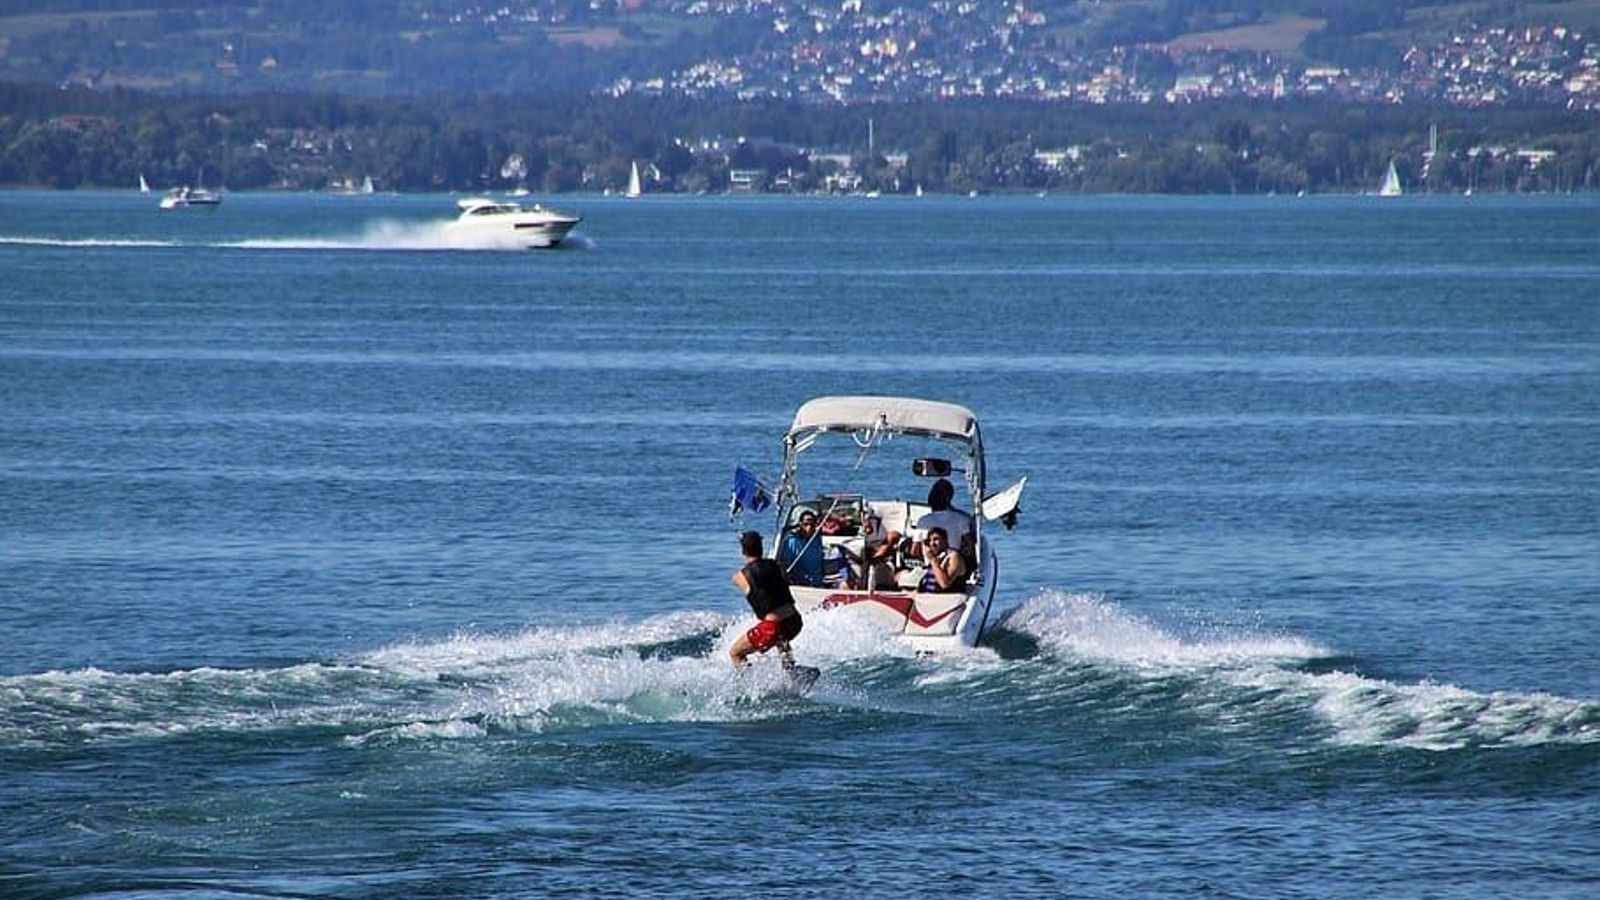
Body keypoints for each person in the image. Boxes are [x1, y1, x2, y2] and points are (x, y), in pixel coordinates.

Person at [729, 530, 804, 669]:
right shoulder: (776, 565)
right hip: (794, 621)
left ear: (743, 551)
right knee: (782, 640)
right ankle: (792, 671)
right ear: (761, 548)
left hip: (773, 627)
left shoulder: (739, 576)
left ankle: (748, 684)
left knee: (735, 653)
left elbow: (744, 584)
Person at [914, 477, 974, 564]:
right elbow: (970, 547)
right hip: (953, 565)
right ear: (950, 498)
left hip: (930, 565)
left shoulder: (923, 521)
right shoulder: (963, 519)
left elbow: (915, 551)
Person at [777, 507, 825, 587]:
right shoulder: (792, 542)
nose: (809, 528)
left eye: (812, 525)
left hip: (818, 582)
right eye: (805, 524)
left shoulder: (818, 539)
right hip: (800, 583)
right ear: (800, 524)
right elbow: (784, 565)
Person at [918, 526, 968, 593]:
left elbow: (944, 584)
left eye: (936, 539)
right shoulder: (936, 557)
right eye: (930, 540)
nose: (932, 543)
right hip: (929, 598)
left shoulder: (953, 556)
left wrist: (933, 560)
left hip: (948, 599)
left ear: (945, 541)